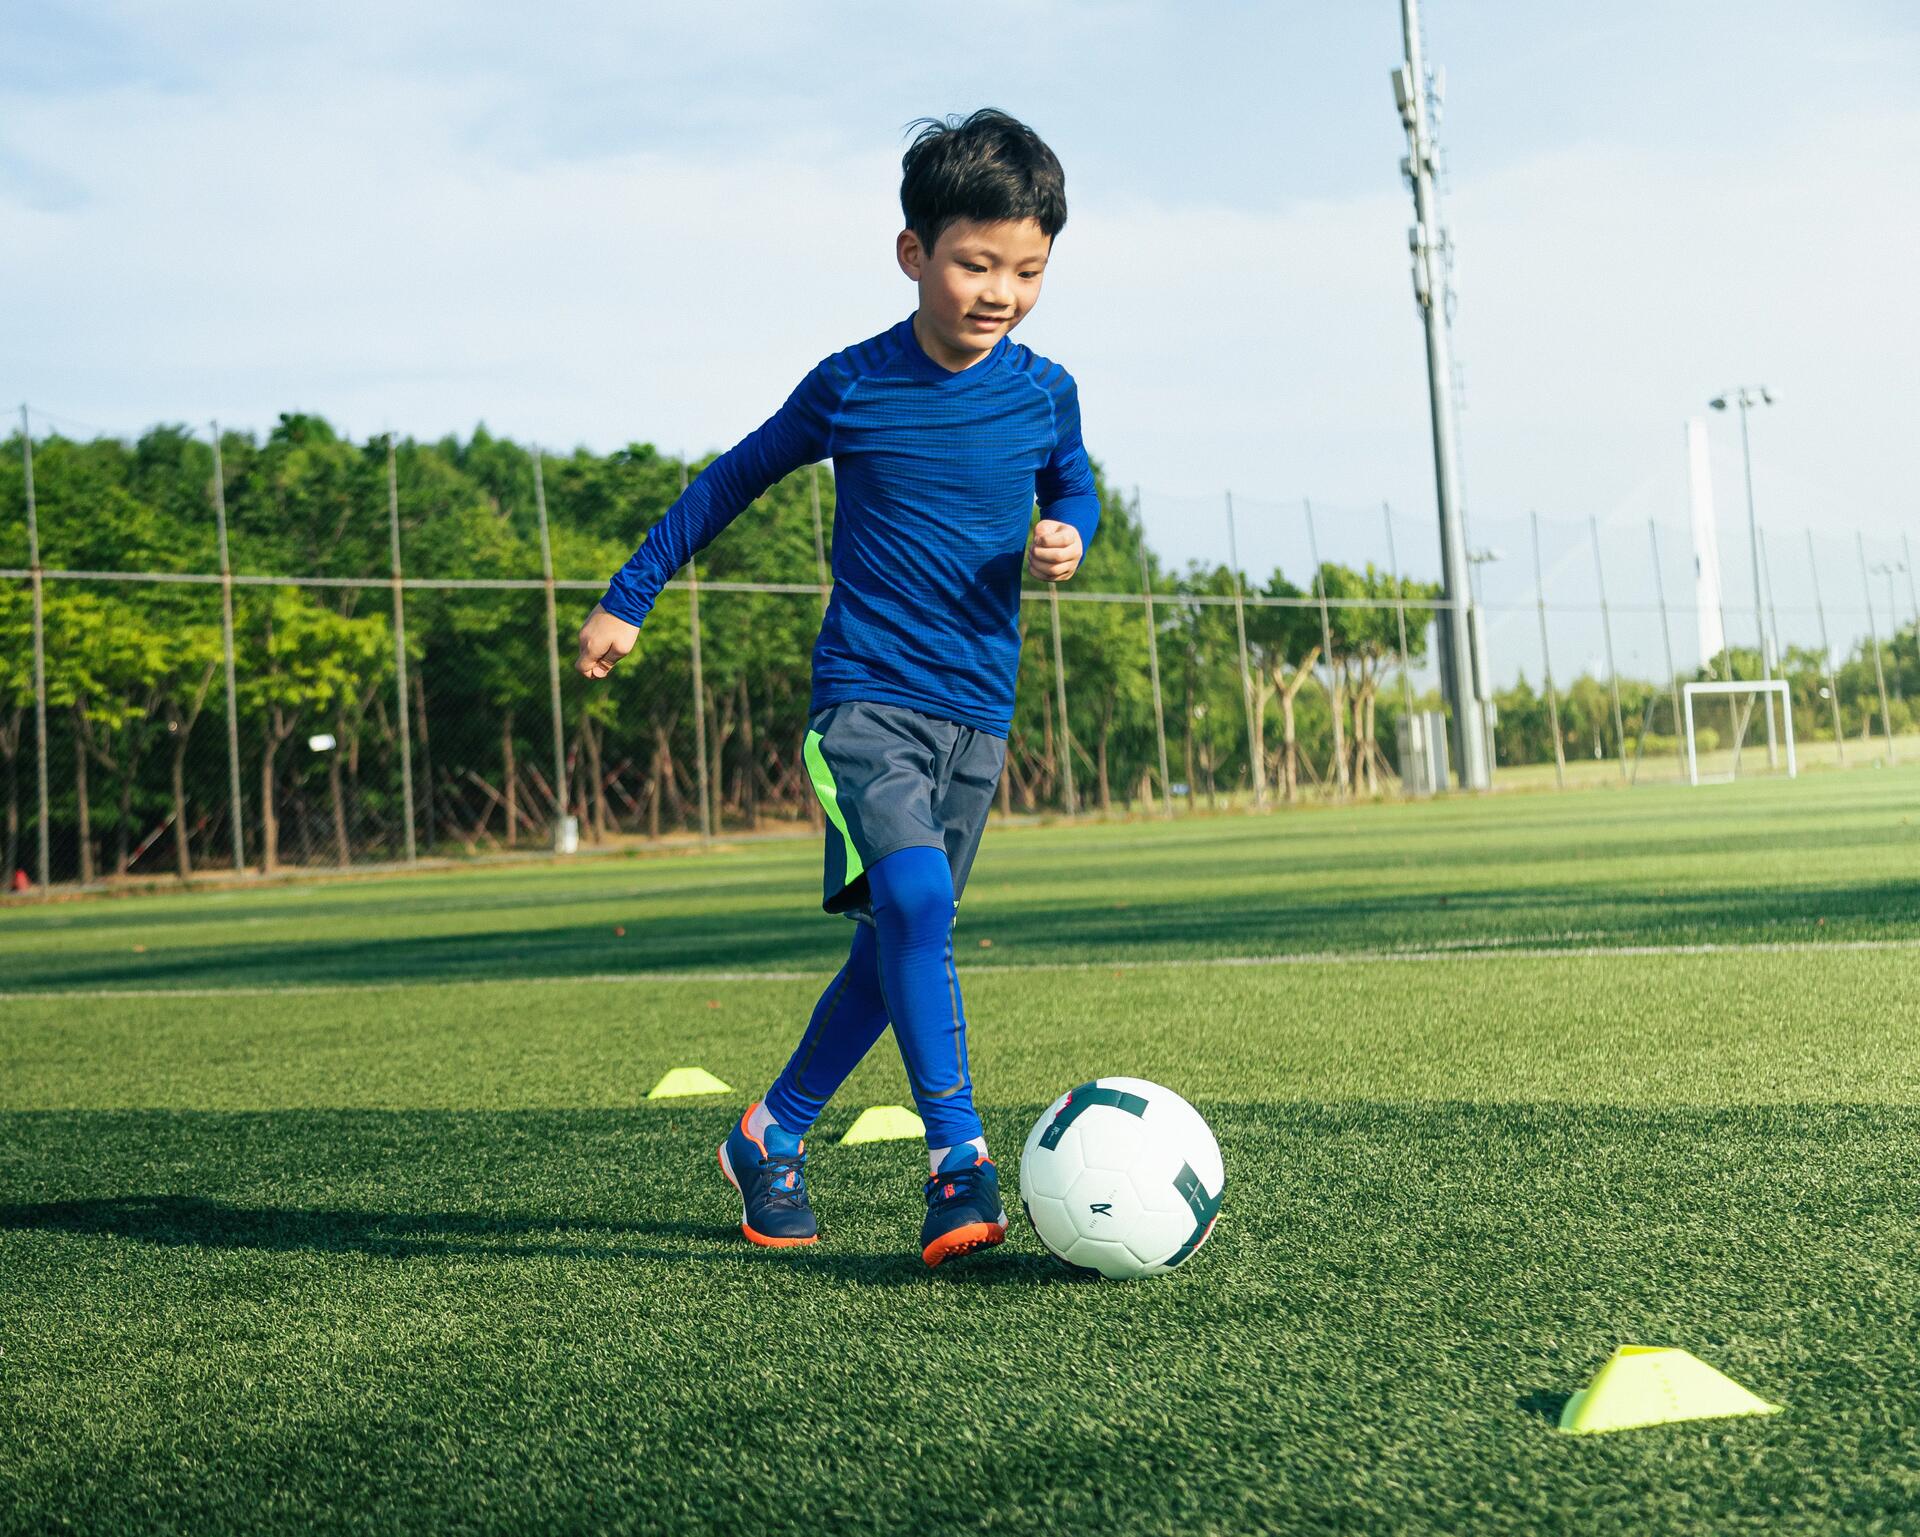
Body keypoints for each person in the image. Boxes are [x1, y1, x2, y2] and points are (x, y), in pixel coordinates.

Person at [576, 108, 1098, 1267]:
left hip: (980, 711)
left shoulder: (1047, 391)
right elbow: (728, 482)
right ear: (914, 254)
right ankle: (957, 1159)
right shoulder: (851, 384)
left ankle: (771, 1131)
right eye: (975, 263)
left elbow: (1075, 485)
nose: (1000, 291)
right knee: (913, 909)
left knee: (895, 940)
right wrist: (629, 594)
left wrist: (1068, 530)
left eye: (1028, 270)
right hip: (863, 703)